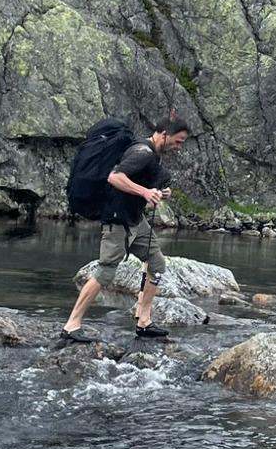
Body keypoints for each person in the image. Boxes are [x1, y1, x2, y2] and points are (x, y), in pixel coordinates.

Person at [60, 119, 191, 342]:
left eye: (182, 143)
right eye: (178, 141)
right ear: (163, 134)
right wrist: (145, 193)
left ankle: (144, 321)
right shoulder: (142, 152)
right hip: (117, 219)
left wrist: (159, 191)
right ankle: (72, 325)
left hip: (135, 220)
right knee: (106, 270)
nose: (179, 147)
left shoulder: (154, 153)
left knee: (157, 265)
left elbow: (139, 180)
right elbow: (115, 177)